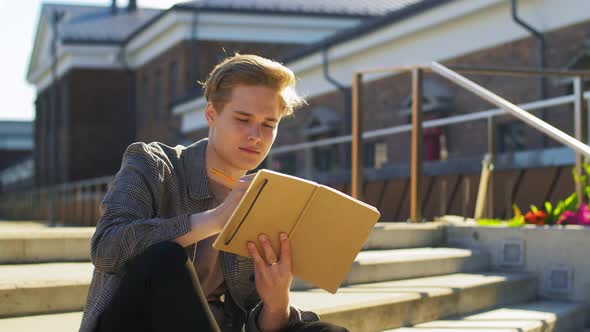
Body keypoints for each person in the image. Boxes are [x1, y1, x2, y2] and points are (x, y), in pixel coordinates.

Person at [80, 54, 348, 332]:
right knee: (165, 257)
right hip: (134, 322)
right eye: (243, 119)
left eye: (268, 124)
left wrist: (276, 304)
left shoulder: (264, 198)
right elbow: (106, 249)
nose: (256, 135)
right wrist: (218, 218)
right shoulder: (152, 163)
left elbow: (253, 316)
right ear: (211, 114)